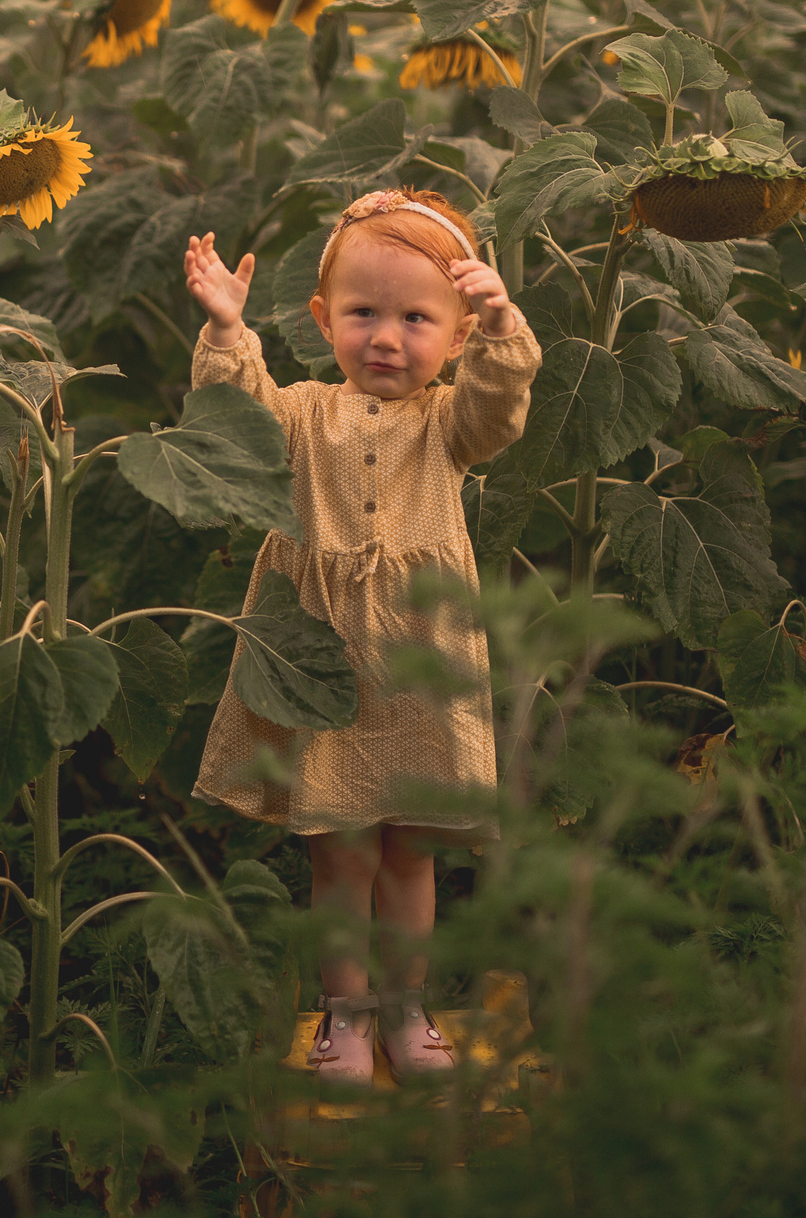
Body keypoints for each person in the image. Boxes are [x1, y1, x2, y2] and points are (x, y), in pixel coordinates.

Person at [180, 188, 540, 1085]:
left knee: (410, 849)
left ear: (456, 336)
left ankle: (407, 1006)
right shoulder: (304, 412)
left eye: (417, 318)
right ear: (322, 319)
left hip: (421, 662)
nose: (387, 336)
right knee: (340, 847)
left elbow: (500, 408)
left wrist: (502, 324)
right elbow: (239, 418)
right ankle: (346, 1014)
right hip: (323, 660)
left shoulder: (448, 423)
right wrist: (228, 331)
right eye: (363, 313)